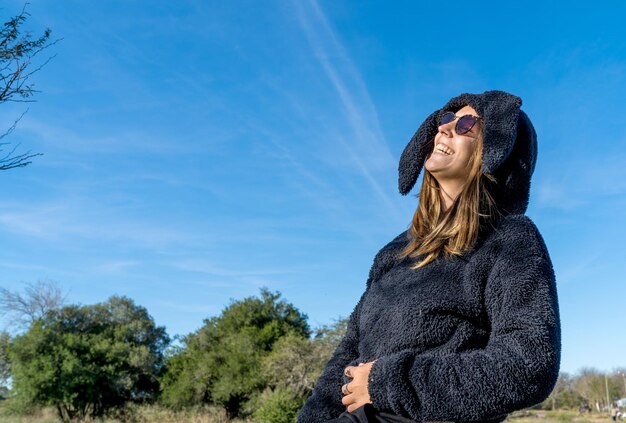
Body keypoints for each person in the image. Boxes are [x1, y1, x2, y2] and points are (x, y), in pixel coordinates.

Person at [296, 90, 561, 423]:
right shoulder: (394, 252)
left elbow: (528, 364)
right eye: (445, 119)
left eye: (467, 124)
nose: (446, 128)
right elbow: (346, 357)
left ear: (498, 148)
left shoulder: (510, 240)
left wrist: (386, 383)